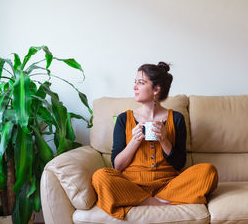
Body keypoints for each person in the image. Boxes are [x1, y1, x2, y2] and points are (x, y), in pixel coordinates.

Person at [92, 62, 218, 220]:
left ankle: (145, 201)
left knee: (209, 171)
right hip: (132, 184)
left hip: (168, 185)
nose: (135, 87)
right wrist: (135, 141)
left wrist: (164, 140)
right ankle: (158, 203)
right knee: (100, 176)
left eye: (141, 82)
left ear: (156, 89)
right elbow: (117, 166)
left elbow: (179, 164)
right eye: (135, 82)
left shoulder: (176, 118)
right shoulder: (124, 119)